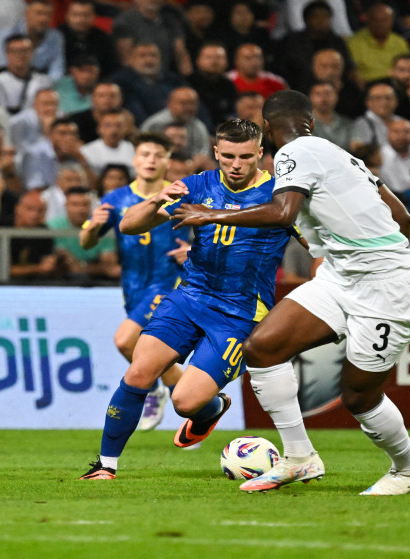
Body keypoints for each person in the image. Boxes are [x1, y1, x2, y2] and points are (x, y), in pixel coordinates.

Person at [172, 90, 410, 495]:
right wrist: (352, 251)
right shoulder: (340, 155)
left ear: (267, 129)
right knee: (263, 348)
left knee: (359, 396)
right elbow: (401, 217)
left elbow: (283, 213)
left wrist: (209, 215)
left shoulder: (293, 154)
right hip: (342, 276)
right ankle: (299, 458)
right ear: (310, 122)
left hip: (389, 286)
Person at [80, 120, 297, 480]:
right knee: (138, 371)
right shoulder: (198, 185)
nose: (236, 165)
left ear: (261, 154)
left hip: (240, 314)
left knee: (184, 401)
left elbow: (318, 245)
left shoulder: (281, 197)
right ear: (216, 152)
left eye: (246, 157)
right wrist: (156, 200)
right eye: (228, 156)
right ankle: (105, 465)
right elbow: (129, 225)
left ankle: (210, 408)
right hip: (188, 297)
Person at [77, 132, 190, 455]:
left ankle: (152, 389)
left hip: (170, 283)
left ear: (168, 160)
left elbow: (211, 230)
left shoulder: (181, 193)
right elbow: (87, 244)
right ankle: (199, 409)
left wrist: (193, 250)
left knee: (125, 340)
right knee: (149, 352)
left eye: (158, 154)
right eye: (145, 154)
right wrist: (91, 227)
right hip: (133, 288)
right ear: (134, 160)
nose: (151, 160)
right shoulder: (116, 198)